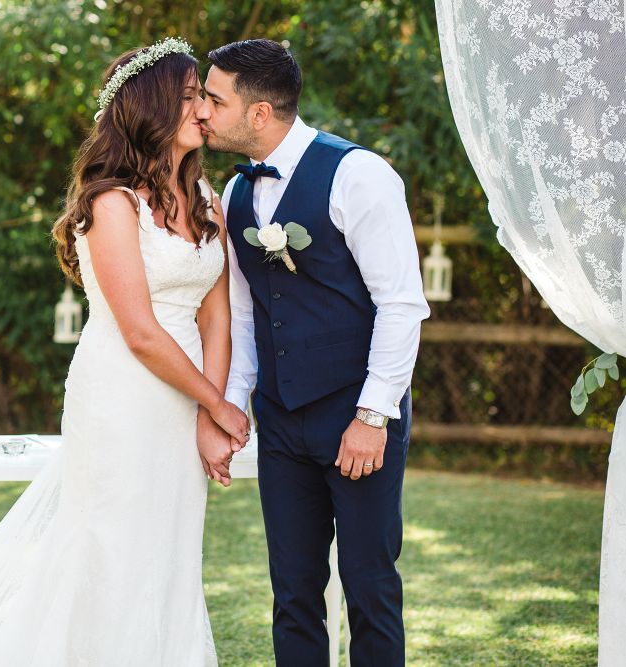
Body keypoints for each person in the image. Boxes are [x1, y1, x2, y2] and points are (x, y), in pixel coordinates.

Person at [0, 37, 249, 666]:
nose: (202, 110)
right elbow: (139, 330)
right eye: (191, 95)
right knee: (110, 545)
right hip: (124, 393)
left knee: (168, 548)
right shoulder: (111, 204)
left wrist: (207, 414)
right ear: (152, 107)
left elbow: (218, 315)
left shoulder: (208, 203)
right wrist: (217, 402)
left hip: (188, 395)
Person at [197, 39, 430, 666]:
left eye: (214, 99)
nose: (201, 110)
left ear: (259, 113)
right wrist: (230, 409)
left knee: (369, 587)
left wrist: (373, 415)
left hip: (356, 417)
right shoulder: (238, 193)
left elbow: (402, 305)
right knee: (293, 592)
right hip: (280, 420)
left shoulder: (360, 175)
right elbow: (246, 313)